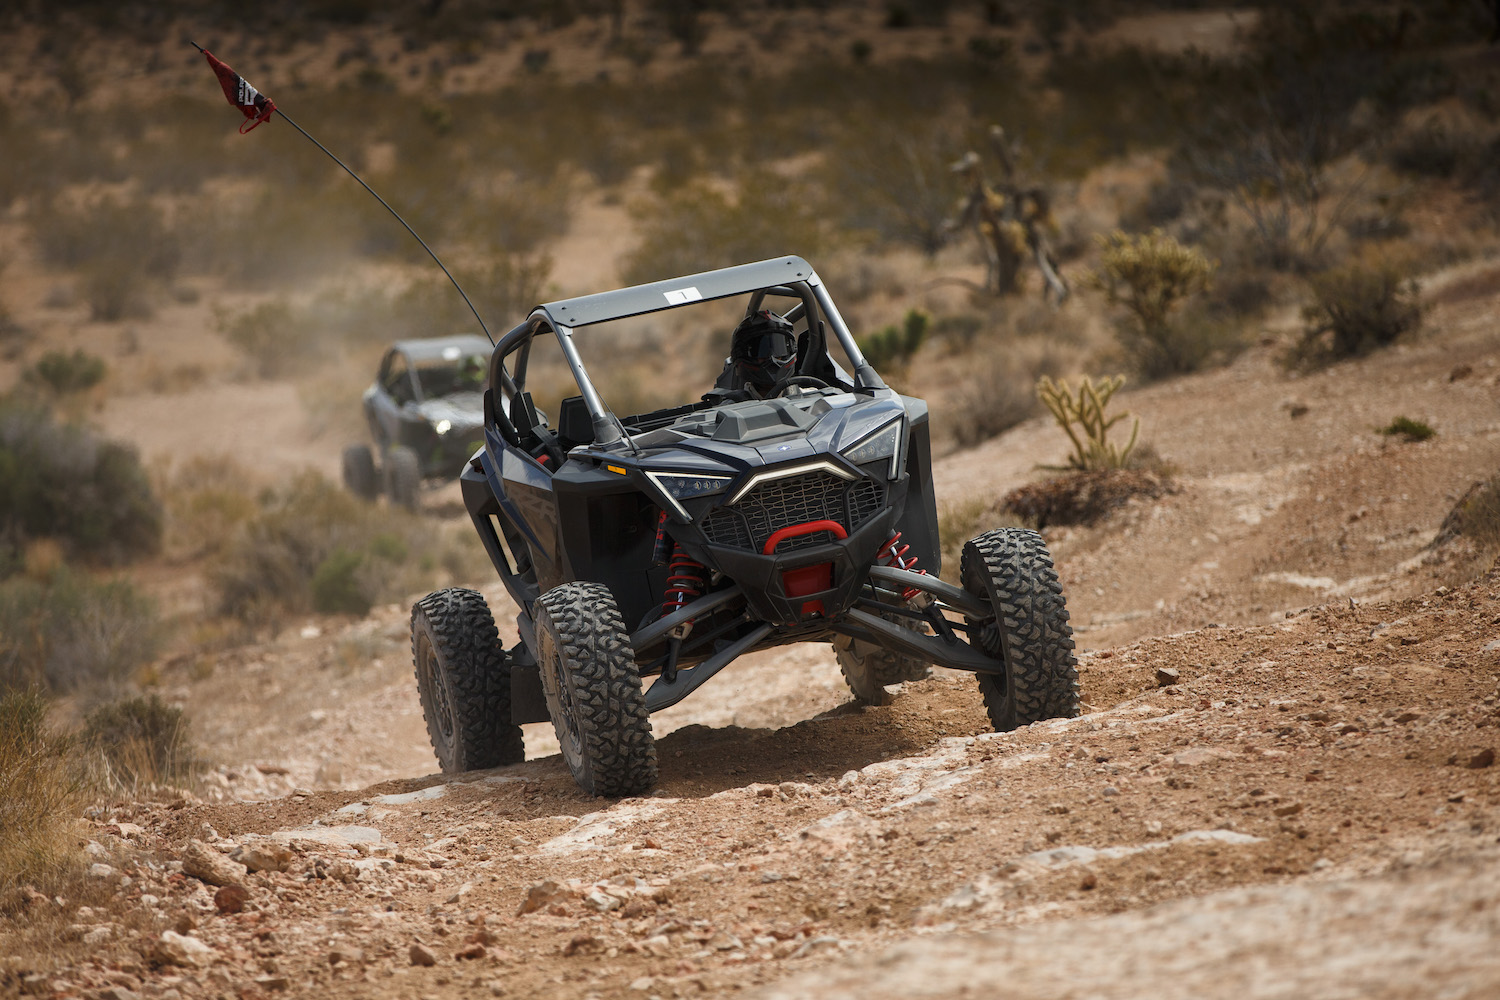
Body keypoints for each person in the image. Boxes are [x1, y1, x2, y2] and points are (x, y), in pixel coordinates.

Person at [705, 310, 798, 403]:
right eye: (761, 350)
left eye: (779, 349)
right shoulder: (731, 409)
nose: (772, 359)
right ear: (743, 355)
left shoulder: (808, 397)